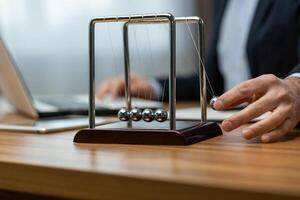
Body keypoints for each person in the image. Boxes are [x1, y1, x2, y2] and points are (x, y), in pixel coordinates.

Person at [97, 0, 300, 143]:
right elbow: (214, 85)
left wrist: (296, 86)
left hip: (281, 140)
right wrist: (151, 87)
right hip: (231, 141)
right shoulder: (224, 3)